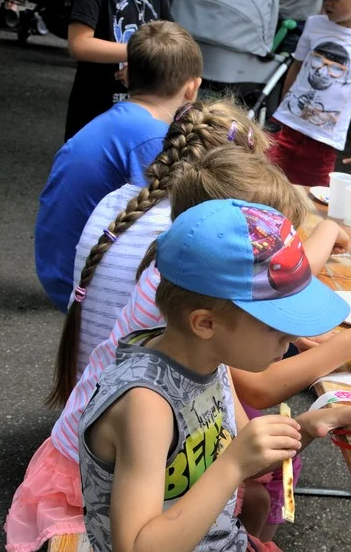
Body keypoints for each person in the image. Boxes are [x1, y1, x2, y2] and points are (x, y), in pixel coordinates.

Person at [7, 147, 351, 552]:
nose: (286, 334)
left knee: (259, 493)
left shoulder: (191, 299)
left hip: (150, 449)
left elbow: (239, 421)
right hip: (90, 477)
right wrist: (345, 346)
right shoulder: (155, 381)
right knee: (257, 495)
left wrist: (309, 418)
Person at [78, 199, 351, 552]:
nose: (291, 341)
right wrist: (233, 466)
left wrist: (311, 424)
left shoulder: (209, 361)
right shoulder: (146, 404)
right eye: (278, 330)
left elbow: (247, 457)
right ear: (205, 322)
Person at [50, 100, 272, 403]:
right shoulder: (193, 238)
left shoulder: (120, 200)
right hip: (125, 412)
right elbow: (255, 386)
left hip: (88, 396)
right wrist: (347, 345)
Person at [35, 20, 202, 312]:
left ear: (125, 76)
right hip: (81, 282)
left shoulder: (120, 120)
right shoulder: (150, 138)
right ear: (192, 88)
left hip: (58, 267)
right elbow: (166, 218)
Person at [270, 0, 351, 183]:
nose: (328, 2)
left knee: (309, 204)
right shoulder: (314, 24)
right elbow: (296, 67)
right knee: (263, 188)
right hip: (284, 129)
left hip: (323, 144)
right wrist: (285, 108)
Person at [64, 0, 173, 140]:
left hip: (145, 115)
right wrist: (141, 54)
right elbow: (79, 44)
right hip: (96, 110)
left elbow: (174, 42)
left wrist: (142, 61)